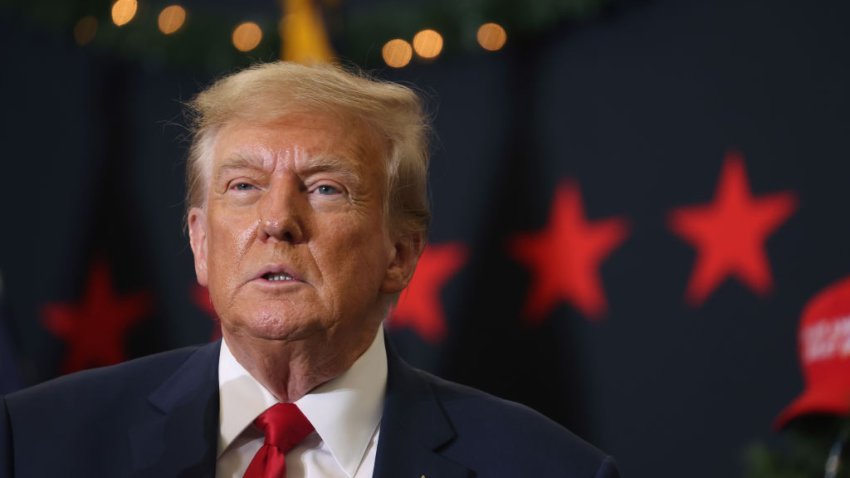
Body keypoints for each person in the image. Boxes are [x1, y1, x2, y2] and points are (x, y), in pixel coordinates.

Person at [0, 62, 620, 477]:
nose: (277, 221)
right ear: (199, 243)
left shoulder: (550, 468)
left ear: (400, 253)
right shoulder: (35, 443)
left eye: (325, 189)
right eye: (243, 185)